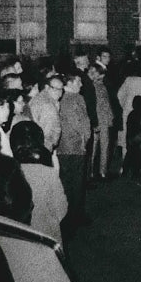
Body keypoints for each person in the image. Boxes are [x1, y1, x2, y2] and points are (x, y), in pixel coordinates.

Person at [11, 121, 68, 244]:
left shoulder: (7, 173)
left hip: (17, 239)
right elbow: (62, 209)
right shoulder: (48, 173)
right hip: (46, 236)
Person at [58, 74, 92, 234]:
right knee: (77, 182)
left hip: (64, 146)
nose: (81, 84)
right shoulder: (75, 98)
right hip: (75, 145)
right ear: (70, 83)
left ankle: (69, 215)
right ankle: (76, 216)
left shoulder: (63, 98)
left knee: (67, 181)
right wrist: (85, 138)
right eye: (78, 81)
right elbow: (78, 122)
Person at [29, 77, 64, 155]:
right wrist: (51, 143)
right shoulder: (47, 104)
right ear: (47, 87)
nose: (59, 93)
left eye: (61, 89)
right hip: (44, 146)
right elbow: (47, 130)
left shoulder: (38, 98)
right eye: (55, 89)